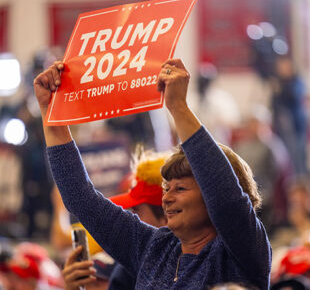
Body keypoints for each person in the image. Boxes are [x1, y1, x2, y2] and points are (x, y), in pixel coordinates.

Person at [33, 58, 272, 289]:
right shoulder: (153, 247)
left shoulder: (241, 252)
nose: (166, 198)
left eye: (180, 188)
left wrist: (178, 107)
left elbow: (226, 199)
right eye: (167, 188)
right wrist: (52, 112)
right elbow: (81, 199)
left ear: (210, 196)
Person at [62, 148, 168, 289]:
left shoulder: (195, 267)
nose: (127, 218)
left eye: (136, 213)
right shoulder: (127, 266)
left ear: (169, 215)